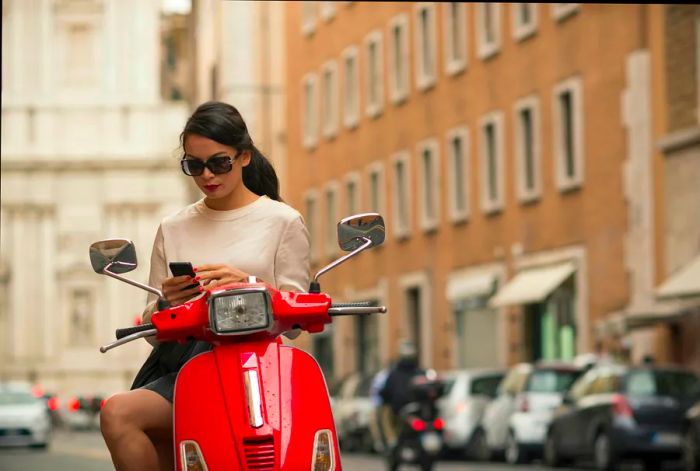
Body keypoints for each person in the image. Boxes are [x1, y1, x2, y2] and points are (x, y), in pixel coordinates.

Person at [99, 101, 311, 471]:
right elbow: (152, 329)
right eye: (194, 165)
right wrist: (168, 302)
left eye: (219, 162)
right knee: (117, 412)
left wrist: (248, 284)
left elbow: (295, 322)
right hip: (191, 369)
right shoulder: (173, 227)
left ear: (243, 156)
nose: (207, 175)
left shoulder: (283, 221)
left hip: (261, 370)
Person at [379, 341, 424, 447]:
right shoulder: (420, 372)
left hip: (398, 409)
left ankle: (391, 439)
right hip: (416, 408)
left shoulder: (394, 374)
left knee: (385, 415)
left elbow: (385, 391)